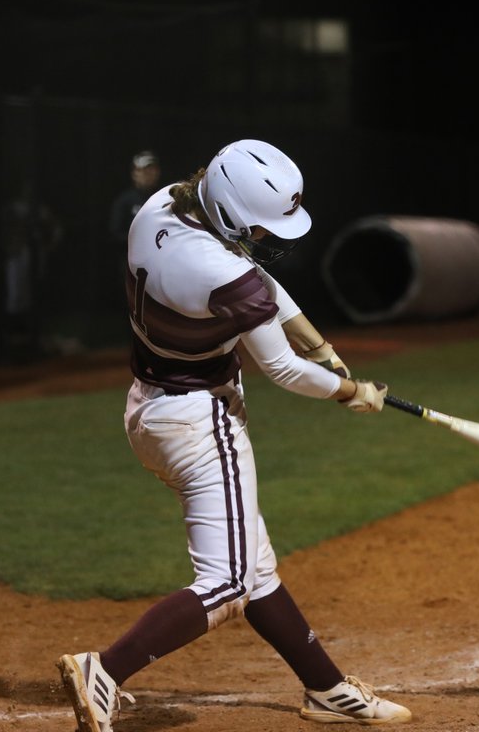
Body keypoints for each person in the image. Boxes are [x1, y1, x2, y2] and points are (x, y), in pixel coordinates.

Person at [57, 139, 411, 730]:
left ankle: (326, 689)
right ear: (228, 213)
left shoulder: (163, 206)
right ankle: (105, 672)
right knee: (229, 583)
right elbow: (281, 369)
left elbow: (263, 285)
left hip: (151, 408)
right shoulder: (222, 274)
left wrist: (321, 345)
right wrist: (354, 392)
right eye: (261, 227)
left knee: (255, 567)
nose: (268, 240)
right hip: (201, 423)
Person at [107, 150, 161, 246]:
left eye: (152, 169)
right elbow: (116, 232)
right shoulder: (125, 201)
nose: (148, 174)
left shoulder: (165, 198)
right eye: (144, 170)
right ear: (134, 173)